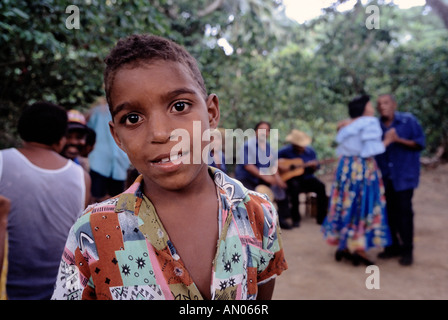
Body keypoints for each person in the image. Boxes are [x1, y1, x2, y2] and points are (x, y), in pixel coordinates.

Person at [52, 34, 287, 300]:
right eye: (132, 118)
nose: (160, 133)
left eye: (179, 106)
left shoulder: (258, 213)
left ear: (211, 114)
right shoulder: (91, 233)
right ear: (117, 136)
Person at [0, 102, 87, 299]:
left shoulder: (2, 162)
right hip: (58, 291)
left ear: (21, 129)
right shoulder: (81, 178)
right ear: (61, 138)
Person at [321, 95, 393, 266]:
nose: (373, 106)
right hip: (362, 168)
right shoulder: (370, 122)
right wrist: (389, 140)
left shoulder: (346, 123)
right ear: (364, 108)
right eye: (370, 104)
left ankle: (344, 246)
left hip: (345, 167)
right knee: (363, 205)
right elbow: (372, 149)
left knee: (345, 203)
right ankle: (359, 249)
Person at [375, 94, 425, 266]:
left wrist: (397, 140)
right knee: (388, 213)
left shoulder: (408, 121)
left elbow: (419, 144)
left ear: (394, 104)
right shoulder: (375, 125)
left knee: (405, 213)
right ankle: (393, 246)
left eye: (386, 103)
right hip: (385, 177)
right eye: (379, 104)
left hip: (404, 175)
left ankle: (407, 250)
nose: (383, 106)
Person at [234, 122, 290, 229]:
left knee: (280, 188)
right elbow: (248, 166)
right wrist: (266, 177)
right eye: (261, 129)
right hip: (247, 178)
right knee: (252, 197)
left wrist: (277, 179)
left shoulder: (269, 148)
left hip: (261, 177)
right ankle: (252, 223)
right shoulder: (248, 145)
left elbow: (273, 165)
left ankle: (280, 219)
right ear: (256, 131)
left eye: (266, 130)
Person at [278, 129, 329, 227]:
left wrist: (314, 167)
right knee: (294, 188)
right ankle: (295, 219)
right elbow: (274, 163)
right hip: (292, 179)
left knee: (321, 186)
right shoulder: (284, 151)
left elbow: (315, 168)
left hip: (307, 177)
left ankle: (321, 218)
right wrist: (283, 168)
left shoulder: (310, 152)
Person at [86, 99, 130, 202]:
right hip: (100, 161)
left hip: (116, 162)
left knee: (116, 200)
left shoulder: (97, 110)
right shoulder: (98, 111)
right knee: (106, 199)